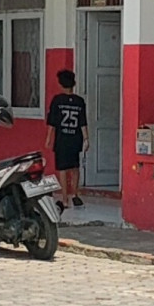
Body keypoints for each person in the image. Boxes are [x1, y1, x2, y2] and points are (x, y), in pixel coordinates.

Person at [44, 69, 88, 210]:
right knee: (75, 168)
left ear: (61, 84)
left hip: (62, 139)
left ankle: (64, 200)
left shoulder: (57, 101)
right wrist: (87, 138)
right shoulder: (79, 101)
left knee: (62, 169)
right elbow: (83, 122)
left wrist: (49, 138)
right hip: (76, 139)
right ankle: (74, 194)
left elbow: (52, 123)